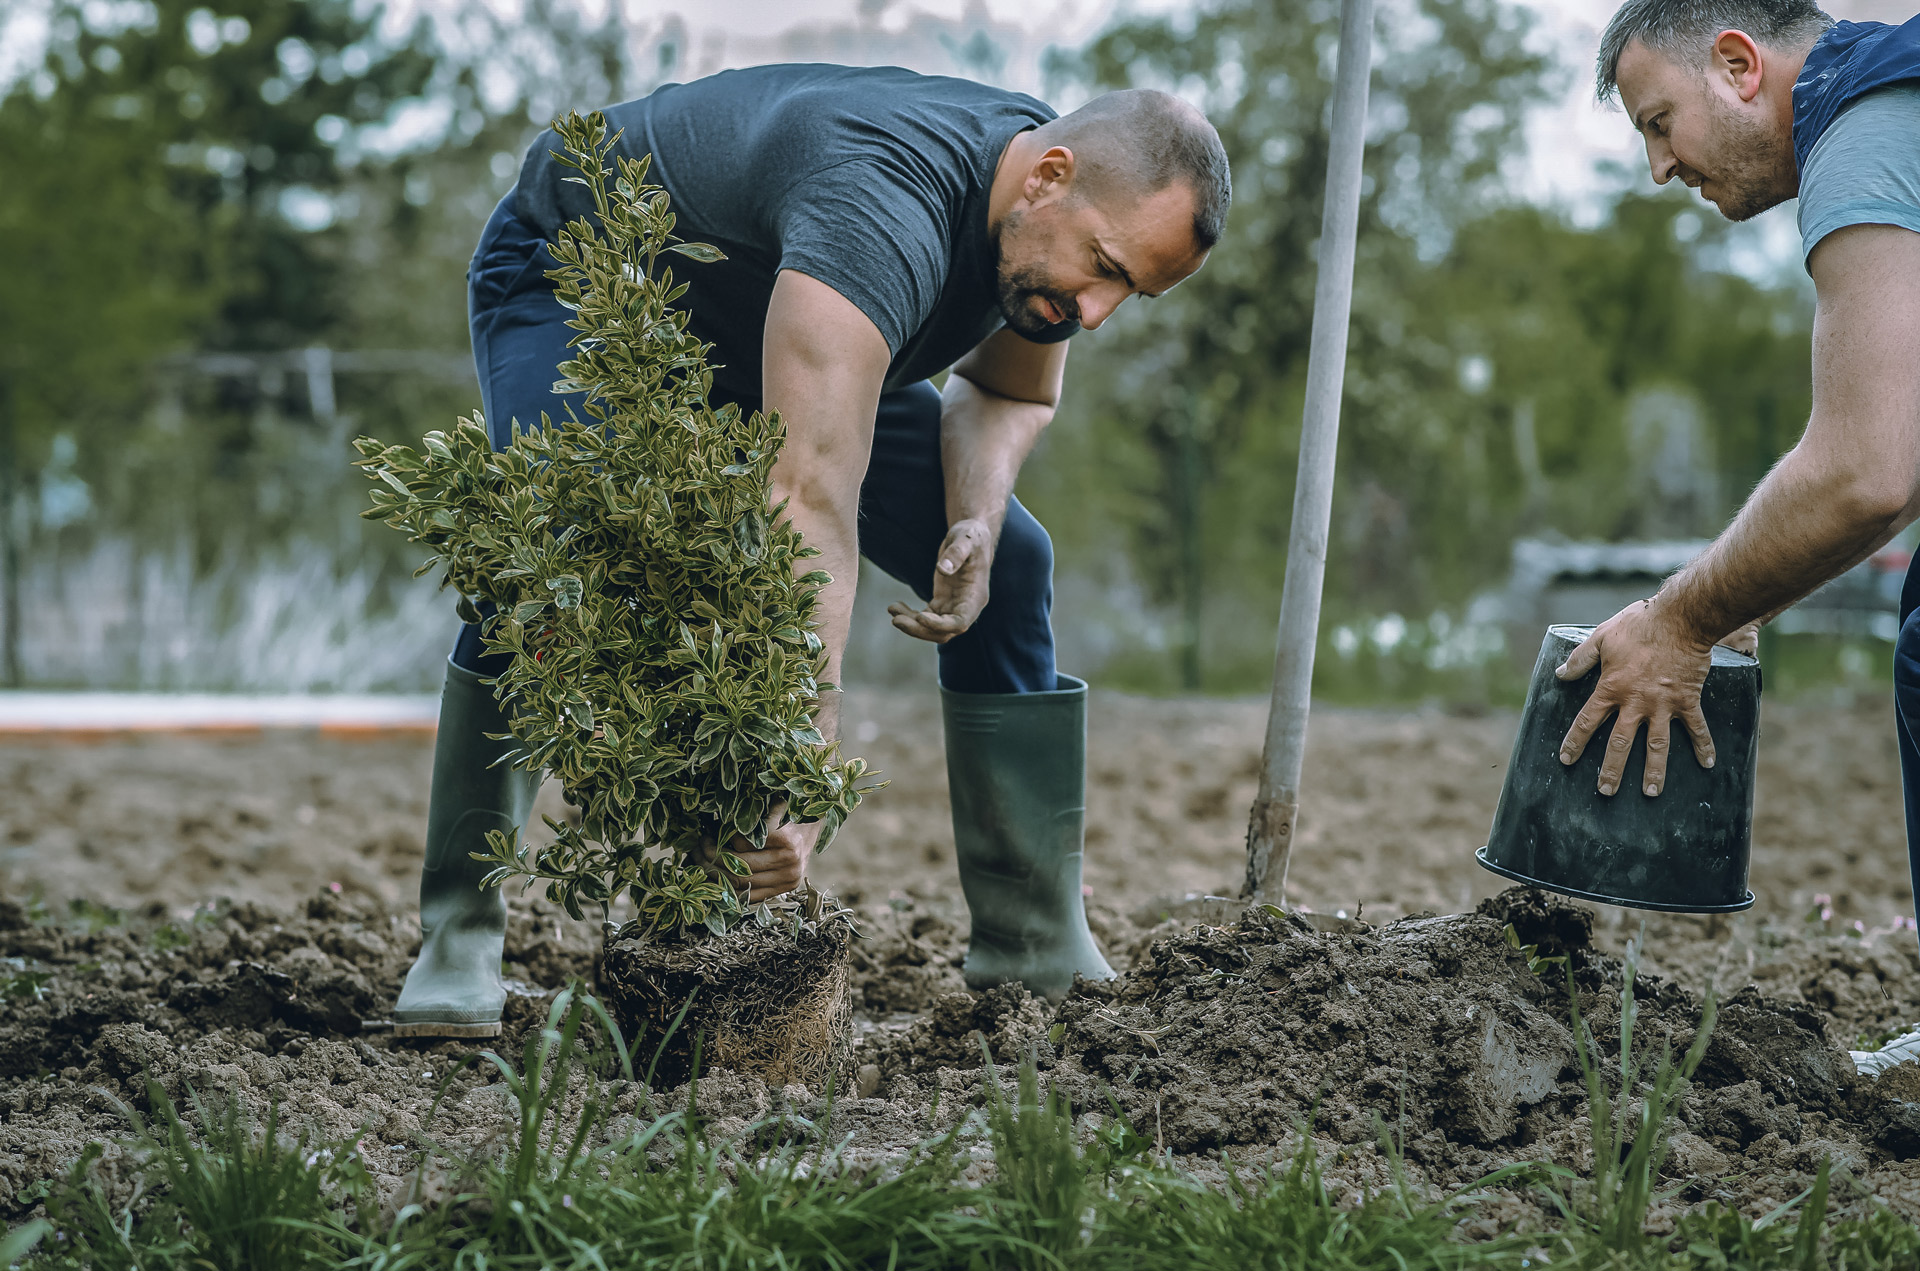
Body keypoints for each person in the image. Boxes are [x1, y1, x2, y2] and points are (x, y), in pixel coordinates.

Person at [390, 64, 1231, 1038]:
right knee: (556, 554)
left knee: (1015, 566)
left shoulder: (1040, 240)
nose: (1095, 314)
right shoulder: (881, 203)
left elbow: (1009, 395)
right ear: (1047, 175)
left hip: (771, 335)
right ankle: (458, 929)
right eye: (1108, 267)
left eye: (1131, 292)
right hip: (587, 277)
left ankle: (1031, 940)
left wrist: (974, 515)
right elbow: (805, 504)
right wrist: (799, 761)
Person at [1571, 1, 1920, 1074]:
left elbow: (1867, 466)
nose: (1658, 167)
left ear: (1737, 64)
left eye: (1658, 121)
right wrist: (1749, 596)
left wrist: (1683, 620)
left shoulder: (1865, 122)